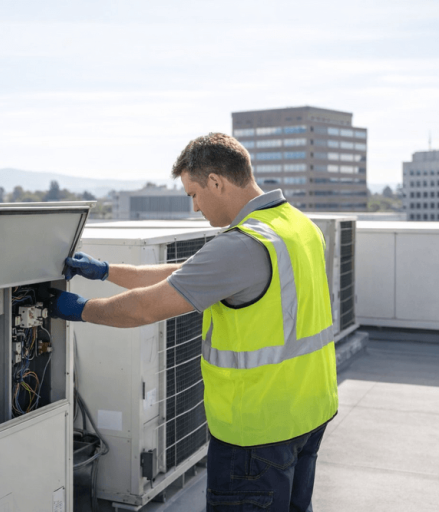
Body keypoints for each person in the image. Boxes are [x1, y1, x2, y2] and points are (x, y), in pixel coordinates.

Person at [49, 133, 338, 512]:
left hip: (256, 432)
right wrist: (106, 272)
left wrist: (80, 309)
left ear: (216, 181)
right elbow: (188, 273)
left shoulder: (242, 244)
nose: (196, 208)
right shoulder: (296, 226)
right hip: (309, 413)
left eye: (193, 194)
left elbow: (144, 309)